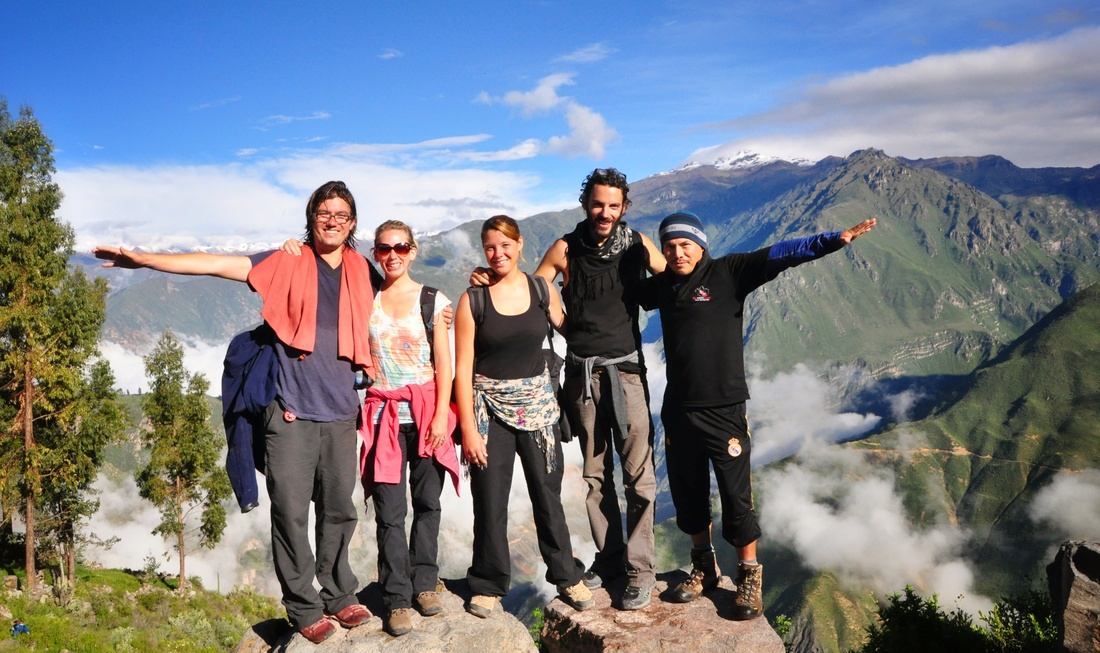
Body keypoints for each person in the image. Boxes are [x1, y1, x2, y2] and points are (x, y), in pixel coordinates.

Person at [94, 181, 375, 644]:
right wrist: (145, 259)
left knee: (339, 510)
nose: (332, 220)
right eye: (324, 212)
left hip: (343, 410)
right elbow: (216, 264)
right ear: (311, 218)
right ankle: (304, 605)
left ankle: (340, 594)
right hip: (291, 412)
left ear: (352, 223)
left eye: (341, 214)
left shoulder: (363, 271)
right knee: (289, 512)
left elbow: (400, 280)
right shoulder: (287, 260)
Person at [636, 211, 877, 620]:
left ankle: (748, 574)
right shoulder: (661, 286)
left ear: (701, 245)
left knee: (735, 495)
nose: (678, 253)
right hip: (678, 409)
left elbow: (782, 254)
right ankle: (704, 568)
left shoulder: (730, 272)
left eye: (685, 244)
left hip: (725, 409)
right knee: (688, 493)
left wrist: (834, 239)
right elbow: (614, 289)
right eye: (670, 246)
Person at [470, 168, 665, 610]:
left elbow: (675, 275)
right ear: (586, 204)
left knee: (638, 475)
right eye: (598, 204)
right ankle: (611, 557)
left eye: (614, 205)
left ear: (624, 207)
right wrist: (487, 278)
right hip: (580, 373)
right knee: (596, 476)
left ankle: (640, 569)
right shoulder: (565, 248)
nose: (605, 212)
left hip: (627, 371)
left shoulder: (636, 244)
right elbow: (531, 293)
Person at [454, 215, 595, 618]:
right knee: (490, 500)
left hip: (538, 408)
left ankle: (567, 575)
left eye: (505, 245)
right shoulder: (473, 300)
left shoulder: (540, 290)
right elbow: (463, 369)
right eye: (490, 248)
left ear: (519, 246)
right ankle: (487, 583)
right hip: (488, 412)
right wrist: (468, 428)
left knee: (547, 498)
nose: (498, 254)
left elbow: (571, 330)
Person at [351, 221, 460, 637]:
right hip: (384, 420)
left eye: (400, 247)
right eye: (383, 249)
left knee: (428, 503)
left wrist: (438, 419)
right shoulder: (368, 301)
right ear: (376, 253)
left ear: (413, 250)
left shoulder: (433, 300)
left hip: (427, 413)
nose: (392, 255)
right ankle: (396, 597)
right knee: (390, 513)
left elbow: (444, 364)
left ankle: (425, 584)